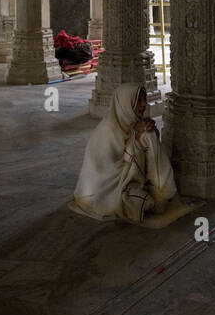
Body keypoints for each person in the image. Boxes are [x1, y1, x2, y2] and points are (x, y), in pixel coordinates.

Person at [71, 83, 180, 224]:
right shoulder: (107, 130)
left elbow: (146, 147)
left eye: (144, 100)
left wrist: (146, 131)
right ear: (124, 103)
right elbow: (106, 172)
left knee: (149, 134)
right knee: (144, 202)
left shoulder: (132, 121)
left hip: (130, 180)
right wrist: (134, 142)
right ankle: (135, 198)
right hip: (103, 190)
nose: (143, 105)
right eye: (138, 101)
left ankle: (162, 190)